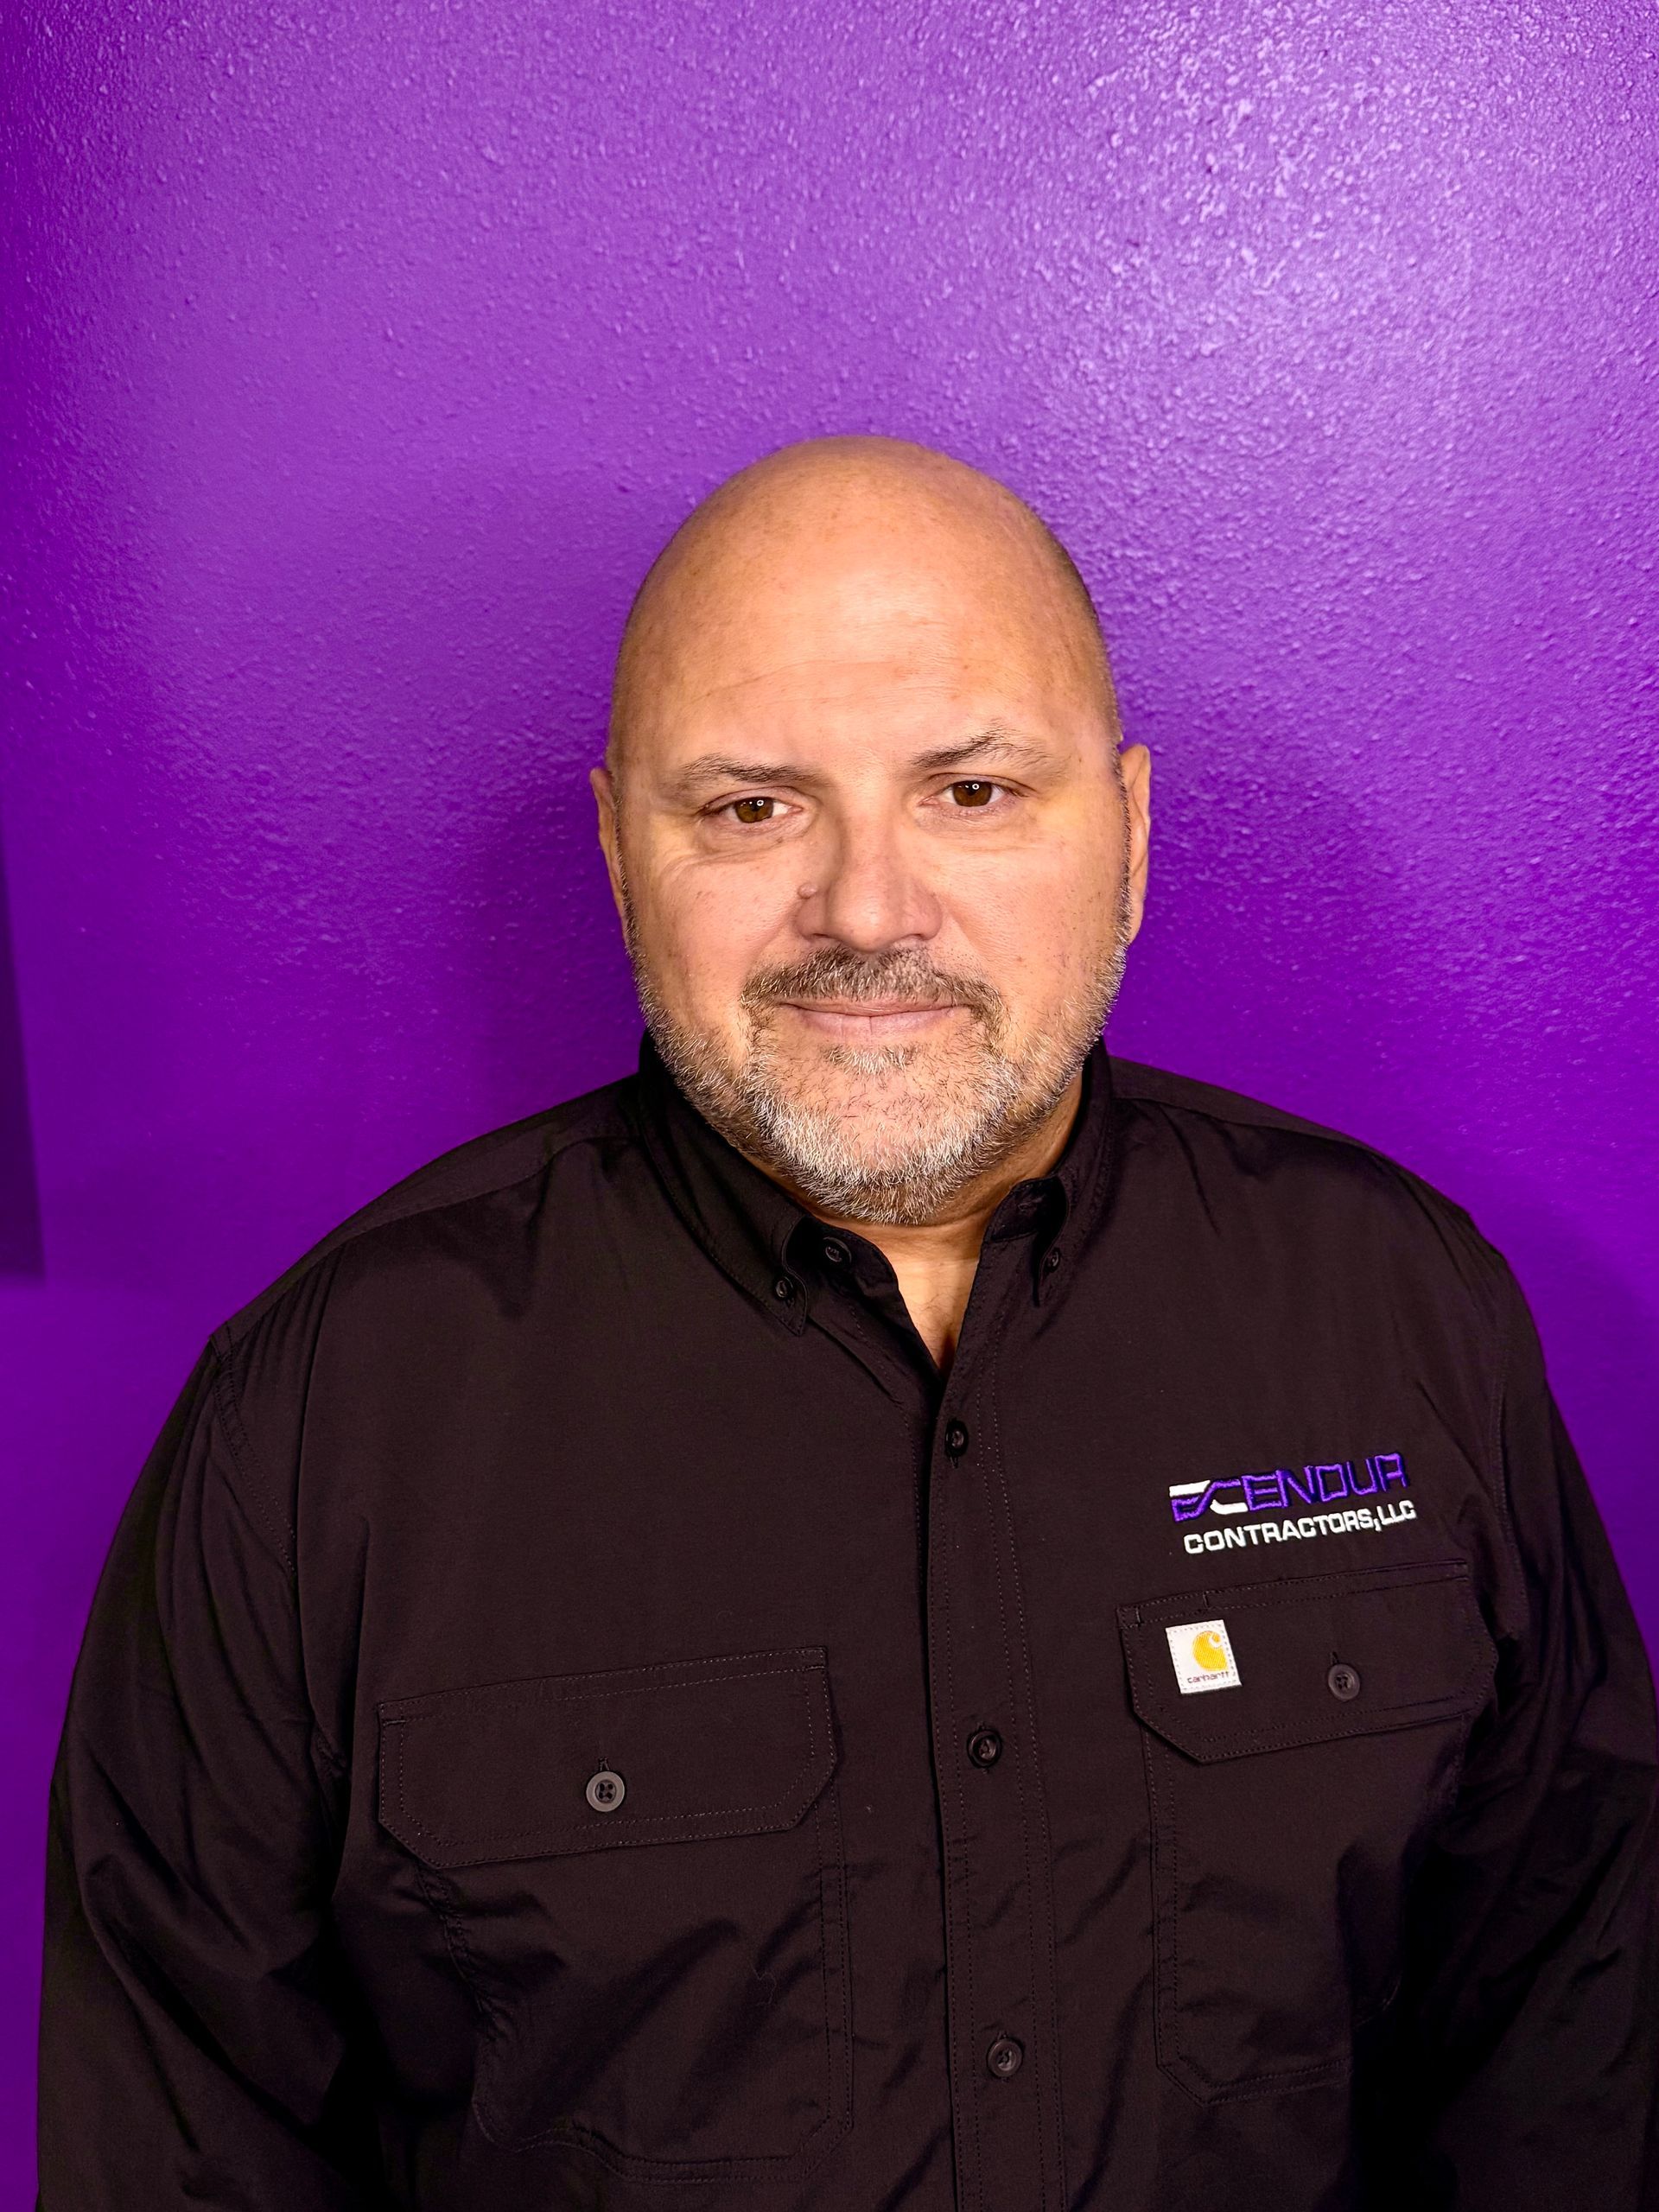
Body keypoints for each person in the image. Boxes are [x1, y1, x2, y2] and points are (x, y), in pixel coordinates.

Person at [38, 435, 1658, 2211]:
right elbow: (181, 2156)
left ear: (1127, 834)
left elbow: (1568, 2063)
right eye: (750, 805)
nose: (867, 911)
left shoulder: (1405, 1312)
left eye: (972, 791)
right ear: (616, 849)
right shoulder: (320, 1424)